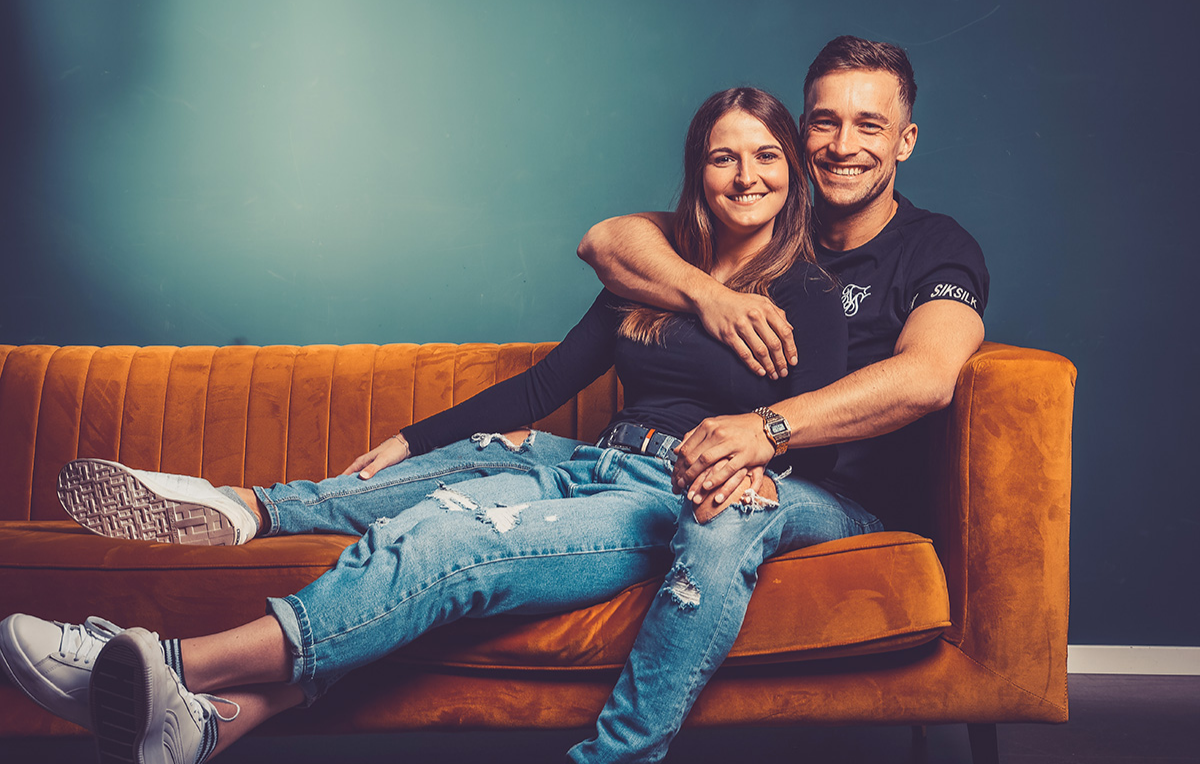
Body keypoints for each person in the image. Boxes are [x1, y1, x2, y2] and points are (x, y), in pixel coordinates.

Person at [1, 87, 878, 764]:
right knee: (422, 490)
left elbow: (818, 435)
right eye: (725, 157)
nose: (747, 176)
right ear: (698, 173)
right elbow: (546, 384)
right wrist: (417, 438)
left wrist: (756, 459)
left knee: (444, 541)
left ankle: (162, 664)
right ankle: (230, 578)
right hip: (587, 460)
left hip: (666, 493)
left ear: (792, 172)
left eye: (766, 155)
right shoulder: (651, 280)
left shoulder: (806, 291)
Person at [577, 36, 990, 537]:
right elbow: (606, 241)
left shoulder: (938, 246)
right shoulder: (765, 222)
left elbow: (929, 375)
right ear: (800, 132)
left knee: (727, 514)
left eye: (869, 126)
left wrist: (768, 427)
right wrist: (712, 298)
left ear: (905, 141)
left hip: (845, 501)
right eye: (825, 122)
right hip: (724, 473)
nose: (842, 146)